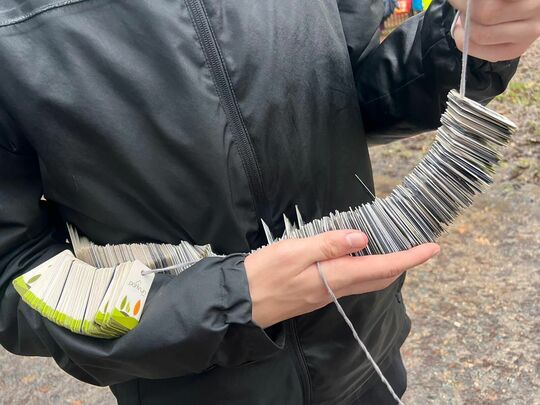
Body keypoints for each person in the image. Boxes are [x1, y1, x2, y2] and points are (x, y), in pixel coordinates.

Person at [0, 0, 537, 404]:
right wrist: (230, 300)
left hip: (364, 355)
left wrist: (457, 44)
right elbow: (13, 275)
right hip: (191, 388)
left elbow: (351, 88)